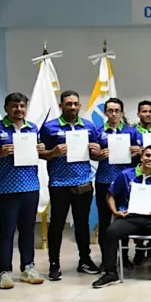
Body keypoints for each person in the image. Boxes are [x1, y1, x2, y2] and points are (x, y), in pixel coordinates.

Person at [91, 146, 151, 288]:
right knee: (111, 232)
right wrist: (115, 212)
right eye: (147, 155)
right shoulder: (125, 175)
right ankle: (110, 273)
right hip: (129, 217)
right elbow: (110, 195)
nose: (150, 159)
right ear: (142, 157)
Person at [39, 90, 101, 281]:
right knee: (56, 225)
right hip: (59, 184)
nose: (72, 107)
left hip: (83, 183)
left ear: (80, 105)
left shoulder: (88, 127)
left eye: (75, 103)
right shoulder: (49, 127)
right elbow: (41, 154)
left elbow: (94, 155)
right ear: (61, 105)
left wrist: (97, 152)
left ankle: (84, 260)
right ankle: (54, 264)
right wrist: (53, 153)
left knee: (82, 225)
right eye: (68, 104)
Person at [0, 93, 46, 289]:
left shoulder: (32, 128)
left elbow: (37, 154)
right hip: (6, 188)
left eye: (21, 106)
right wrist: (0, 154)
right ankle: (4, 271)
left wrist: (41, 149)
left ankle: (28, 267)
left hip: (30, 186)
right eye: (14, 106)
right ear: (6, 108)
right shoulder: (0, 128)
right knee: (7, 231)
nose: (18, 110)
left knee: (28, 229)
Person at [93, 98, 141, 268]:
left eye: (117, 110)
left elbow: (144, 156)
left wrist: (138, 152)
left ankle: (125, 257)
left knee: (125, 221)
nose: (113, 114)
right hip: (104, 181)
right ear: (106, 113)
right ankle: (107, 260)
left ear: (122, 113)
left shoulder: (132, 132)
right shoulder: (97, 132)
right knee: (104, 222)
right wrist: (98, 155)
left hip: (126, 183)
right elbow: (91, 155)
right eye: (110, 110)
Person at [131, 100, 151, 266]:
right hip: (136, 178)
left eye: (150, 111)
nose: (148, 114)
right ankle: (138, 250)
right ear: (138, 114)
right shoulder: (131, 132)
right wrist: (132, 151)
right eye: (144, 111)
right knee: (137, 211)